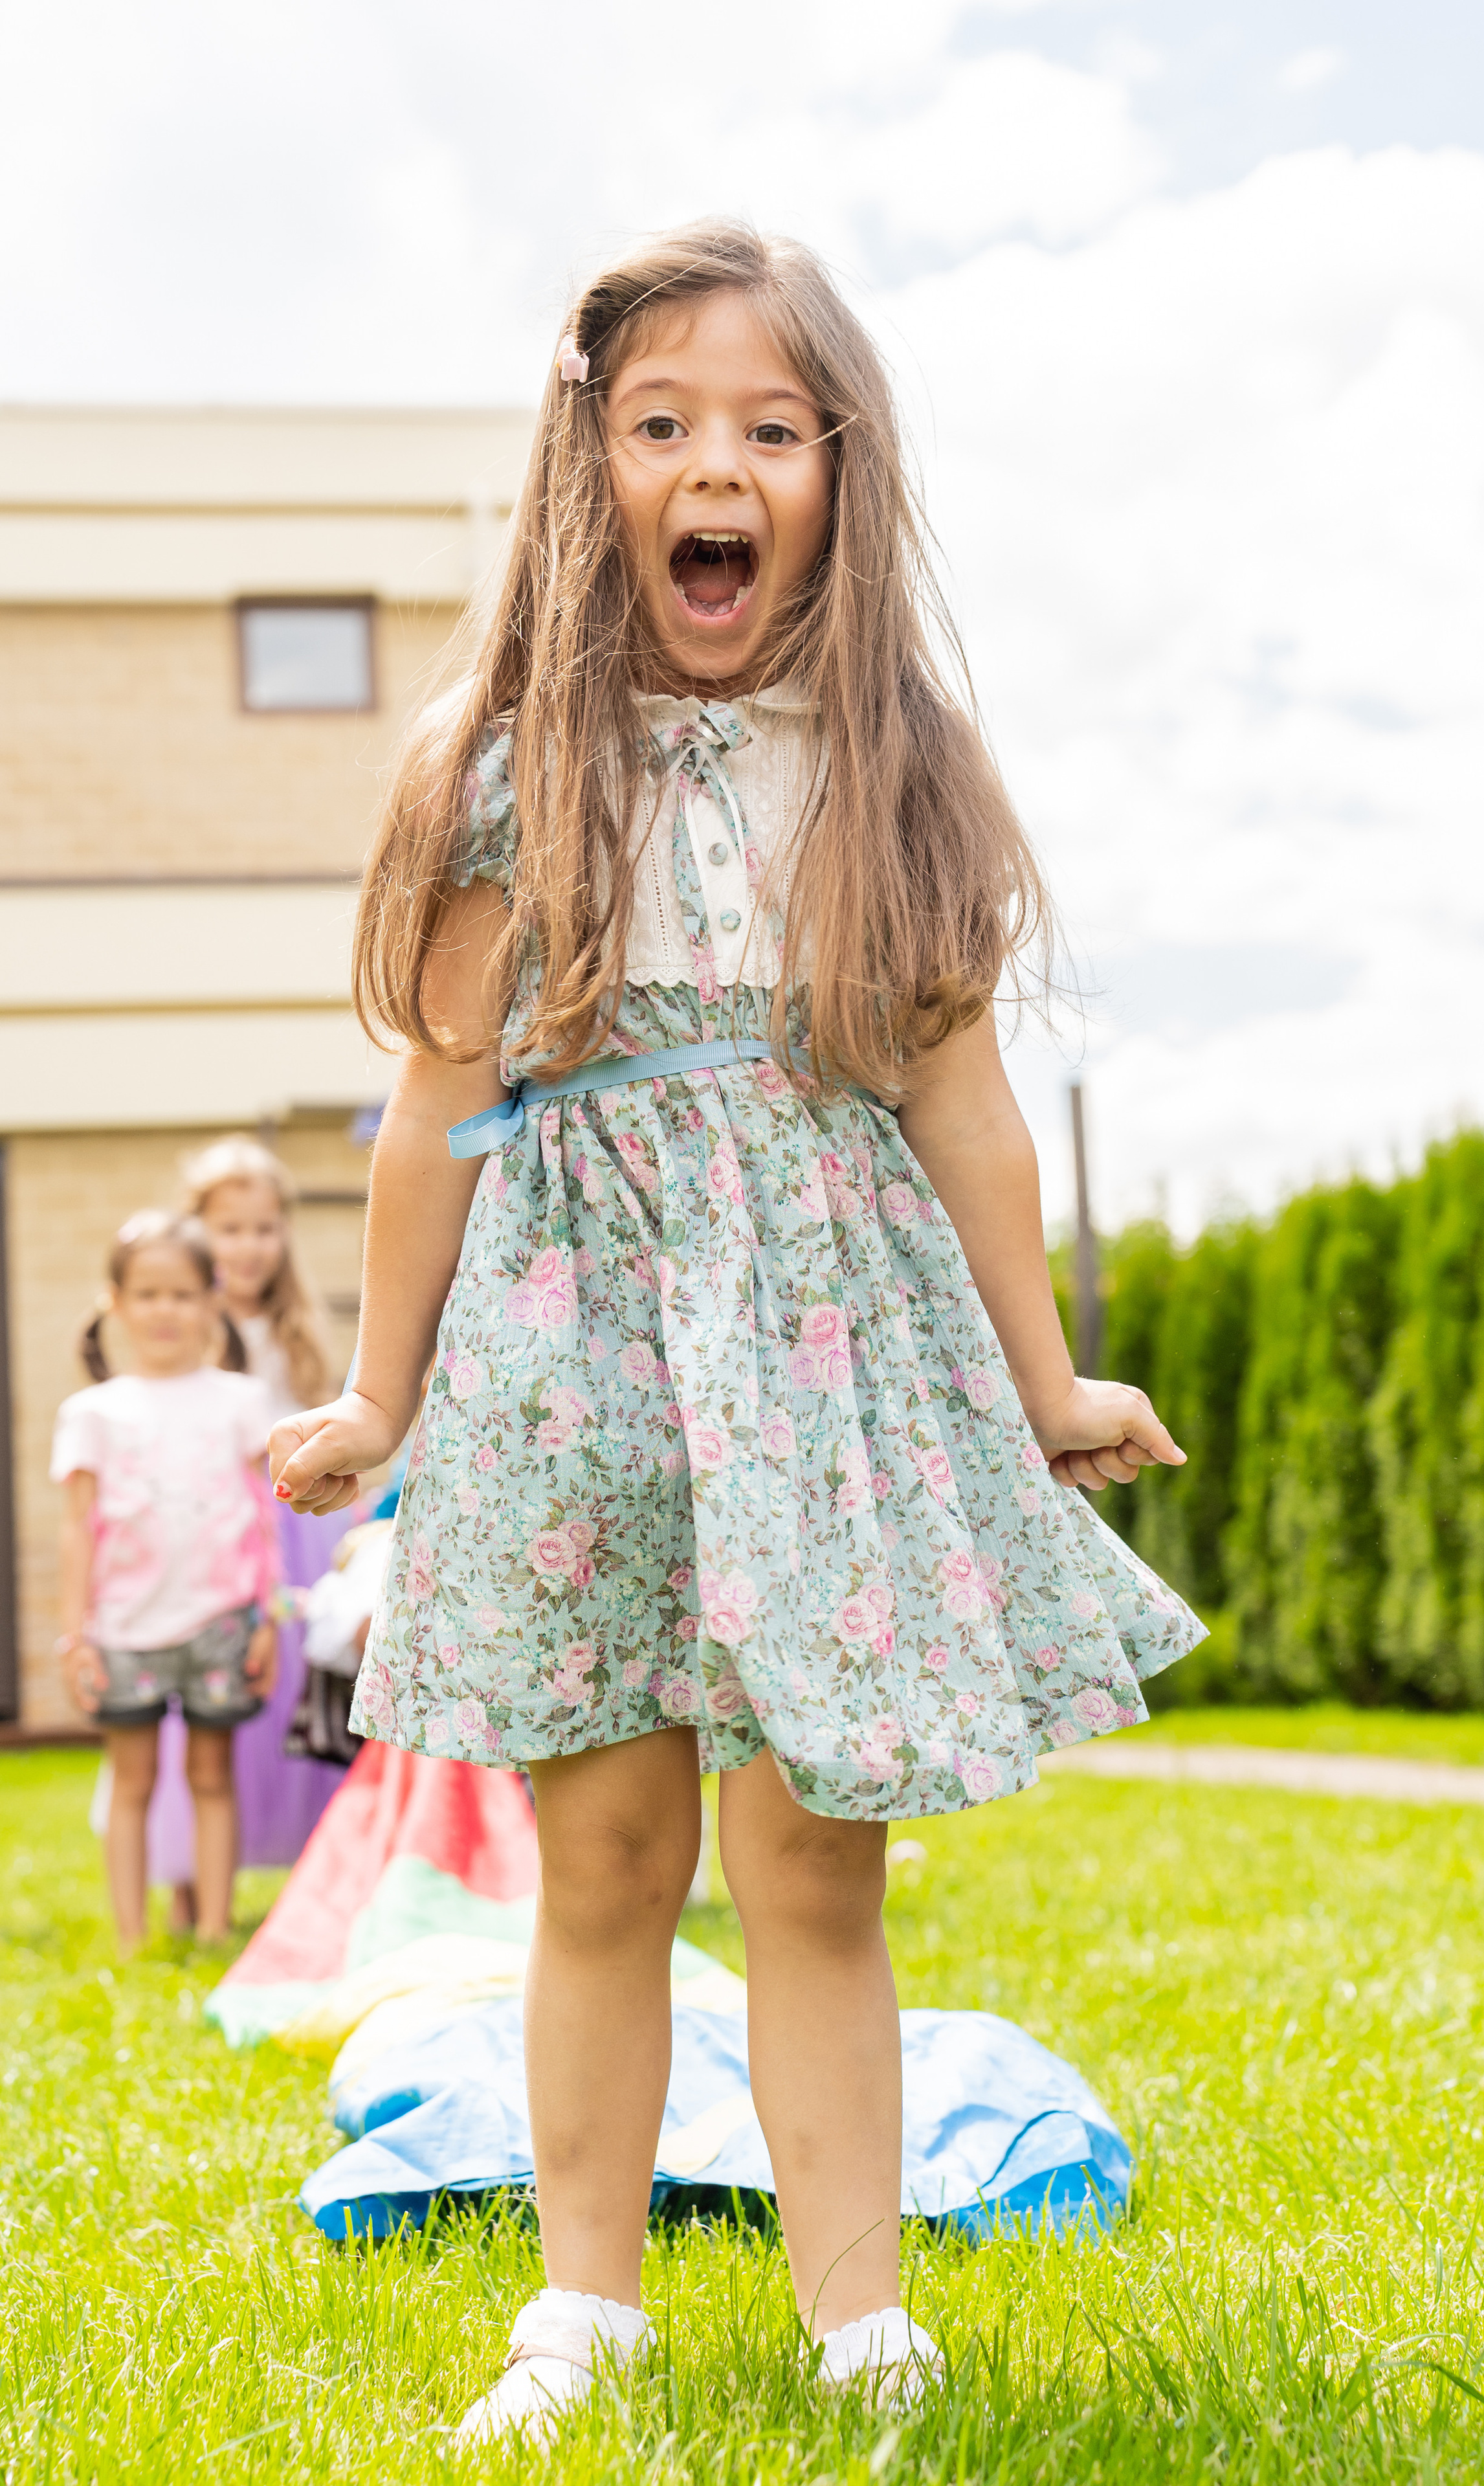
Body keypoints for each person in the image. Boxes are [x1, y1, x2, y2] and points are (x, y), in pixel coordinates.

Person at [271, 221, 1206, 2437]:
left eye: (770, 431)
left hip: (819, 1364)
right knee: (600, 1857)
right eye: (665, 425)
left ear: (837, 480)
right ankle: (578, 2313)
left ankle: (860, 2317)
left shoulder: (890, 769)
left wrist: (1046, 1370)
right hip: (581, 1354)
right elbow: (439, 1111)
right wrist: (381, 1392)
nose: (719, 465)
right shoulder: (512, 764)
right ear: (594, 473)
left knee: (811, 1858)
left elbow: (964, 1102)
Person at [140, 1139, 353, 1927]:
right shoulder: (180, 1326)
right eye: (229, 1230)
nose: (249, 1247)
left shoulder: (296, 1327)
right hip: (202, 1543)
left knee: (285, 1702)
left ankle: (304, 1888)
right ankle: (189, 1884)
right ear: (196, 1233)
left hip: (286, 1539)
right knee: (193, 1708)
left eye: (265, 1228)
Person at [54, 1213, 278, 1952]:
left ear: (212, 1299)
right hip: (123, 1632)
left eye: (182, 1294)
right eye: (147, 1293)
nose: (165, 1310)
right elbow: (75, 1532)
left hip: (221, 1623)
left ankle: (214, 1929)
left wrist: (269, 1617)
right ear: (115, 1301)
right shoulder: (90, 1413)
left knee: (213, 1777)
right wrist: (73, 1637)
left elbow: (264, 1519)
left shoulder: (242, 1402)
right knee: (133, 1783)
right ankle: (129, 1937)